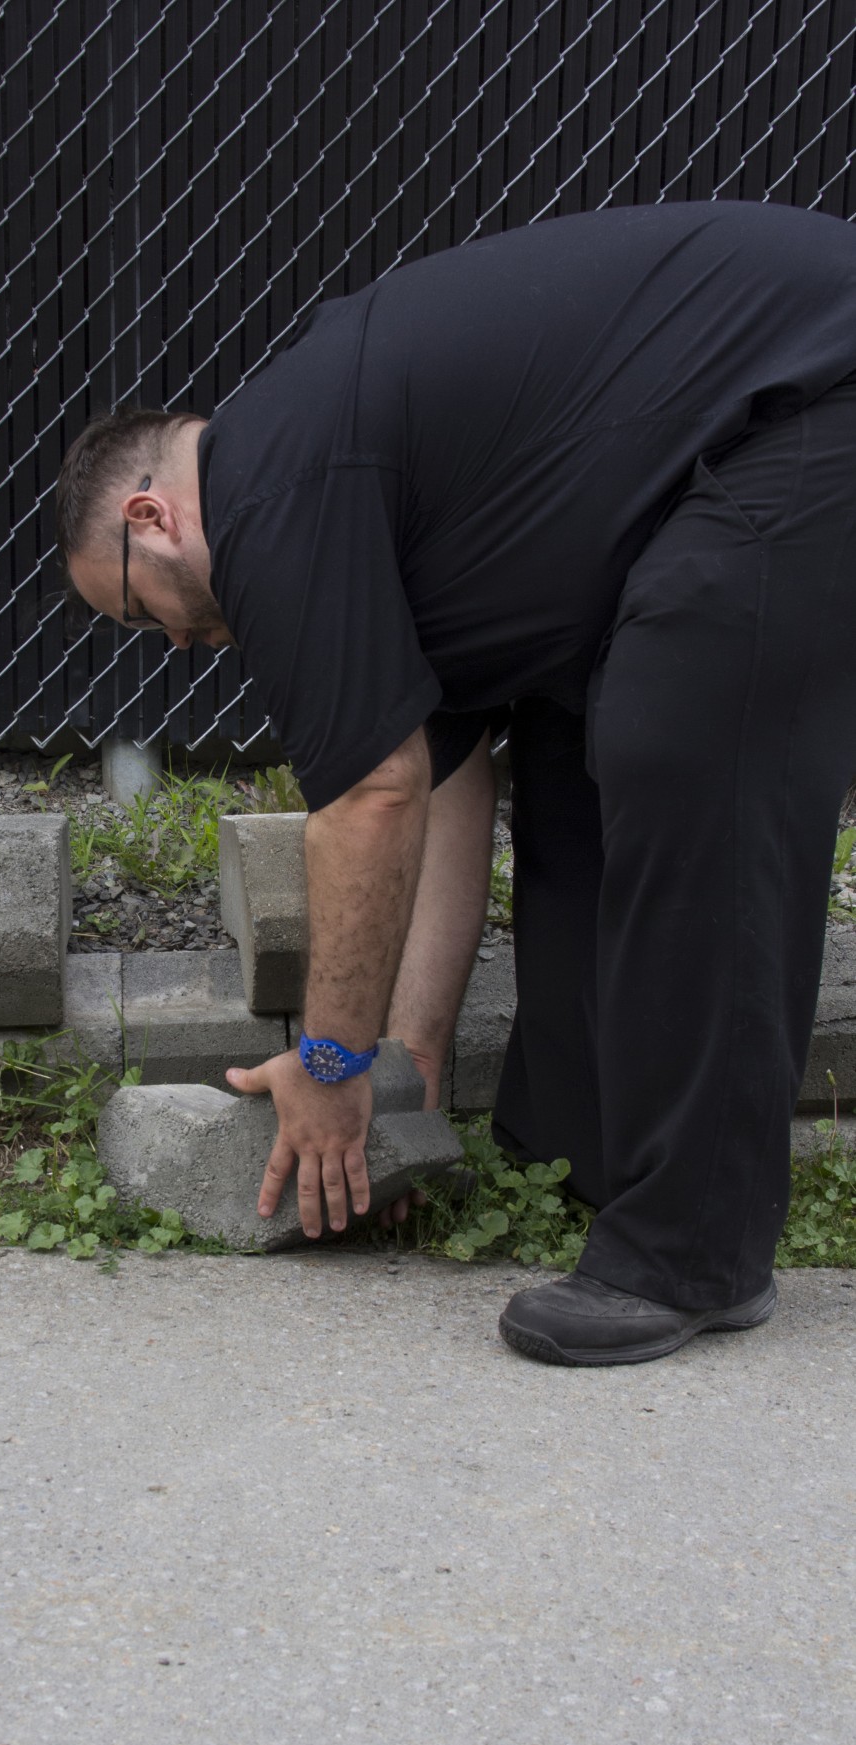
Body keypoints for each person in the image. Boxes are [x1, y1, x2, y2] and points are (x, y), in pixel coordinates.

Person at [57, 199, 856, 1367]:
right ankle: (584, 1156)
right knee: (572, 746)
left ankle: (695, 1251)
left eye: (138, 611)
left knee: (682, 735)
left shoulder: (270, 489)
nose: (172, 644)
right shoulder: (316, 472)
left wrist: (331, 1066)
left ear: (149, 519)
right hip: (740, 437)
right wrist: (409, 1063)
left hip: (818, 396)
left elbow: (369, 796)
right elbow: (436, 775)